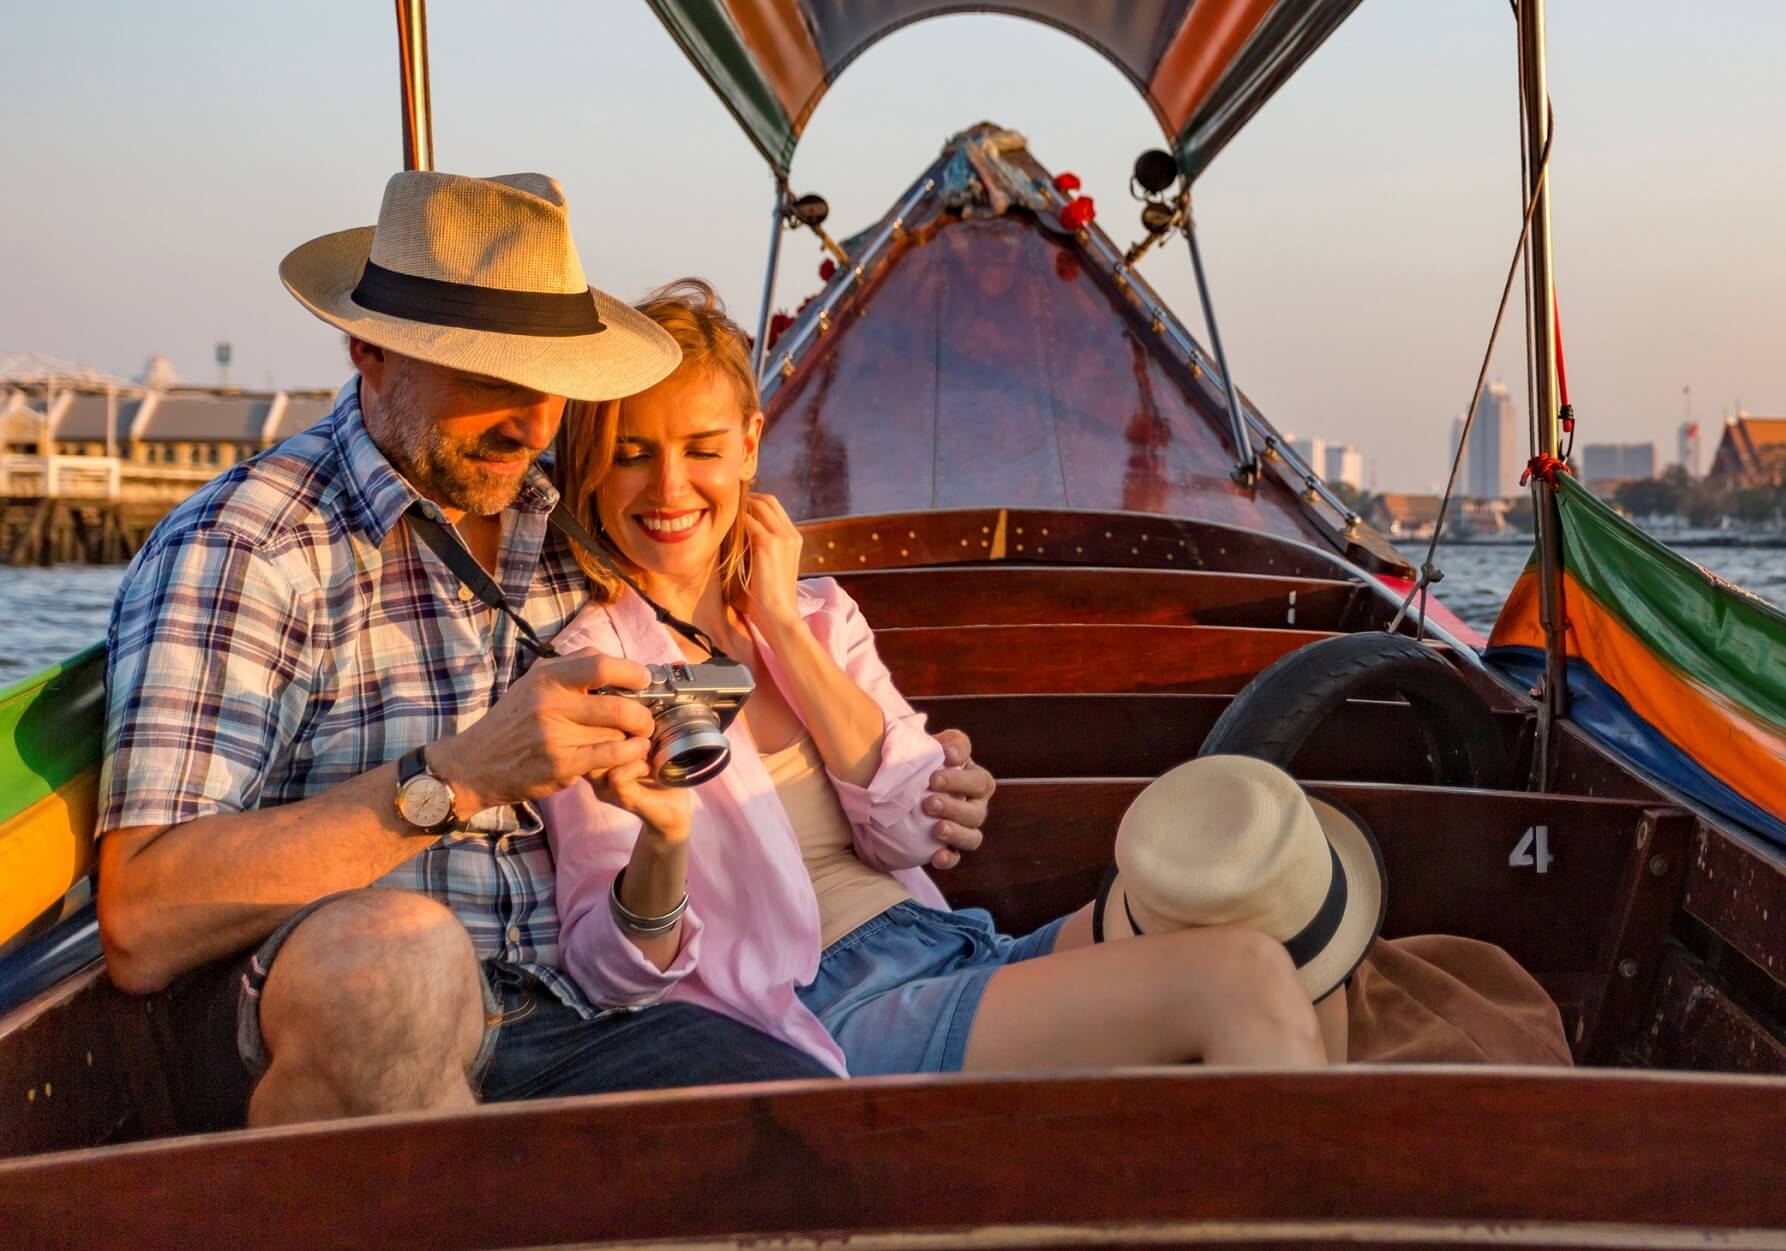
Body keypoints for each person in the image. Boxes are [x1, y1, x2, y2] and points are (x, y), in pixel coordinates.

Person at [94, 171, 1000, 1126]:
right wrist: (452, 780)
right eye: (488, 380)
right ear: (368, 346)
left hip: (583, 1010)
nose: (530, 426)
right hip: (363, 1007)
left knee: (814, 1130)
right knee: (404, 962)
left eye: (554, 389)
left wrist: (923, 769)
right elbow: (143, 916)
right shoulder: (254, 546)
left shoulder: (564, 518)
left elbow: (742, 624)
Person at [541, 281, 1358, 1075]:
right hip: (823, 1010)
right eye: (631, 455)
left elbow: (911, 828)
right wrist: (665, 837)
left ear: (750, 444)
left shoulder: (818, 613)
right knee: (1239, 982)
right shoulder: (593, 667)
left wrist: (784, 629)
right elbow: (610, 970)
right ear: (591, 469)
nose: (670, 487)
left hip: (944, 943)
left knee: (1286, 910)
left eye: (702, 450)